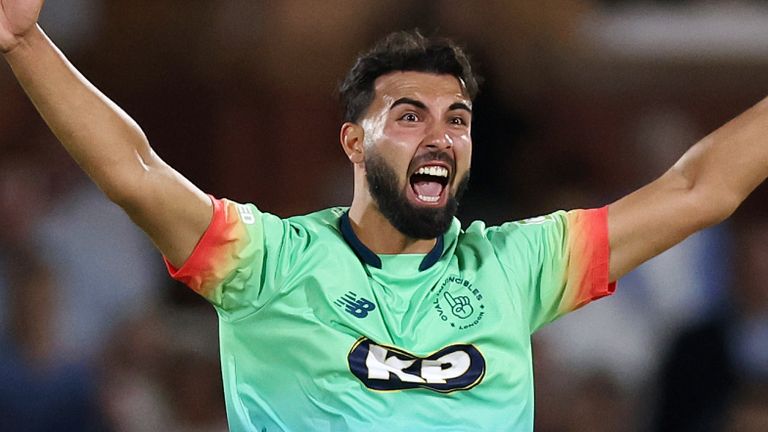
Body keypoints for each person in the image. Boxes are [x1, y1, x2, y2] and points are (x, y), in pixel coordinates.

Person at [2, 2, 767, 431]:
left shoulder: (516, 266)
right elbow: (136, 174)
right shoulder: (270, 263)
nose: (441, 135)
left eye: (457, 119)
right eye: (410, 116)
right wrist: (24, 38)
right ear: (352, 140)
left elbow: (700, 185)